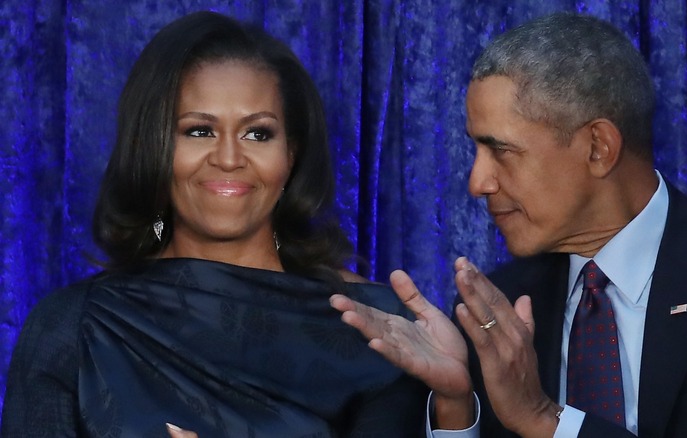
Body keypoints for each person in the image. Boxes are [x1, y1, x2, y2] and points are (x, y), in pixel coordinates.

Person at [330, 11, 687, 438]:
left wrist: (543, 418)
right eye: (476, 151)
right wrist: (456, 405)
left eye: (501, 150)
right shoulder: (497, 310)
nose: (477, 182)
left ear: (598, 148)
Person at [1, 11, 425, 437]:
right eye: (199, 131)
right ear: (154, 148)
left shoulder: (373, 327)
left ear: (290, 155)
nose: (228, 158)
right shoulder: (72, 327)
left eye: (257, 134)